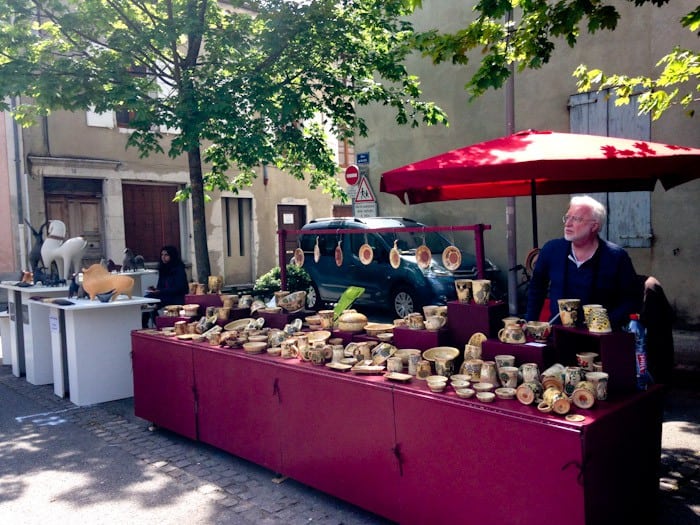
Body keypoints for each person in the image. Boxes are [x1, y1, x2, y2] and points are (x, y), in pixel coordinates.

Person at [525, 195, 642, 329]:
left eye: (576, 219)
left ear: (594, 226)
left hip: (599, 339)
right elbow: (536, 289)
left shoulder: (616, 257)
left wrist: (606, 322)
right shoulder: (551, 250)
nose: (567, 223)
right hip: (558, 336)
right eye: (567, 217)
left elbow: (632, 299)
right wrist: (530, 323)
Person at [142, 245, 189, 328]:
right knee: (147, 299)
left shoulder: (179, 269)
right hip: (164, 294)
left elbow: (179, 288)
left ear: (172, 256)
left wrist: (161, 291)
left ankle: (159, 324)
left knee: (155, 304)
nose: (163, 257)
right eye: (162, 255)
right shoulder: (163, 268)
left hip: (175, 296)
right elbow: (160, 285)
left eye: (166, 255)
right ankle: (145, 325)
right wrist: (154, 289)